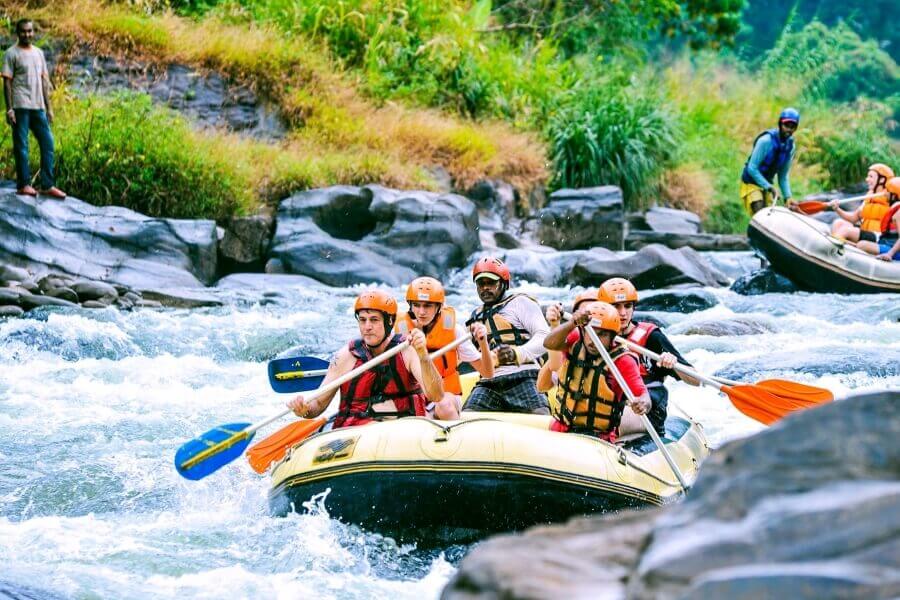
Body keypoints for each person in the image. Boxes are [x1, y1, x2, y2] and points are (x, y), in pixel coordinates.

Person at [287, 289, 443, 428]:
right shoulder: (345, 356)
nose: (367, 326)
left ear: (389, 322)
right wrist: (304, 410)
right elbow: (318, 405)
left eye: (374, 320)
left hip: (402, 429)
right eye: (362, 320)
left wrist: (424, 356)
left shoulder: (407, 350)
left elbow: (436, 395)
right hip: (358, 434)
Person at [598, 277, 699, 437]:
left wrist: (672, 364)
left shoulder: (652, 337)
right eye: (616, 306)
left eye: (628, 306)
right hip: (612, 401)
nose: (623, 313)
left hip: (648, 408)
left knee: (603, 422)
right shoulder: (596, 337)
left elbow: (696, 380)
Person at [543, 301, 651, 442]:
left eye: (602, 335)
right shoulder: (576, 340)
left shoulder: (623, 361)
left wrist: (642, 404)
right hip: (561, 428)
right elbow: (549, 343)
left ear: (613, 336)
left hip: (597, 438)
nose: (593, 341)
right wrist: (572, 323)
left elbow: (644, 396)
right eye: (590, 332)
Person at [395, 276, 492, 420]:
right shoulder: (400, 332)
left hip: (448, 397)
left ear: (438, 307)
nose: (421, 311)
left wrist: (483, 342)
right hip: (418, 398)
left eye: (427, 305)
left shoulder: (454, 331)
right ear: (411, 305)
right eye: (417, 305)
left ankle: (458, 437)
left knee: (443, 404)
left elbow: (487, 372)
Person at [463, 256, 551, 414]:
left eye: (490, 283)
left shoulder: (521, 303)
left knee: (540, 415)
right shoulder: (474, 317)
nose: (485, 288)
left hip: (524, 375)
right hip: (489, 383)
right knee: (467, 417)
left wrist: (516, 353)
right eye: (480, 284)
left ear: (503, 283)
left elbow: (544, 337)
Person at [2, 19, 65, 199]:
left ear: (33, 32)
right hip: (21, 105)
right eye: (23, 32)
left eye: (30, 31)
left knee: (48, 143)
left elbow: (44, 82)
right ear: (17, 33)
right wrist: (9, 109)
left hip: (38, 107)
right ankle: (24, 185)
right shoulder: (11, 53)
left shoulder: (39, 53)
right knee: (22, 146)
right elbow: (7, 82)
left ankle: (47, 184)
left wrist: (49, 107)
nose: (27, 35)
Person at [740, 107, 799, 216]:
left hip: (767, 184)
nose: (789, 130)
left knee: (771, 215)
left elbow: (783, 176)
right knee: (760, 212)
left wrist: (788, 196)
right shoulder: (765, 141)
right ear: (780, 124)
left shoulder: (790, 147)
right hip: (751, 182)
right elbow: (752, 168)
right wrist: (769, 187)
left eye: (793, 127)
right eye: (786, 125)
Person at [830, 163, 894, 243]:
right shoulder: (869, 197)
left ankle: (834, 245)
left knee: (846, 231)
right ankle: (838, 247)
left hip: (878, 236)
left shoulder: (892, 197)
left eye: (871, 176)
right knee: (838, 223)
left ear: (882, 179)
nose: (867, 179)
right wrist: (837, 209)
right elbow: (853, 218)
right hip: (865, 231)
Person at [858, 176, 900, 262]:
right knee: (859, 244)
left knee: (862, 245)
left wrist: (889, 254)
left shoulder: (899, 212)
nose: (885, 193)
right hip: (887, 243)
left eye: (888, 191)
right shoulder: (894, 208)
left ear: (895, 195)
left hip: (894, 250)